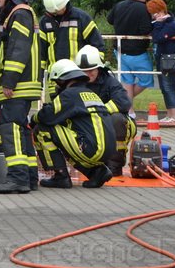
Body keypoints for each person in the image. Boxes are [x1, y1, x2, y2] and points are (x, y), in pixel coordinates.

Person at [0, 0, 41, 194]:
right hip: (23, 84)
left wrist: (9, 81)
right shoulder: (20, 13)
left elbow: (19, 50)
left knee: (11, 128)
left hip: (18, 85)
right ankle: (29, 176)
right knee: (23, 130)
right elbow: (15, 48)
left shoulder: (20, 13)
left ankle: (17, 178)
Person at [31, 60, 116, 189]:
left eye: (56, 82)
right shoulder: (90, 94)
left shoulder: (69, 95)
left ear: (63, 80)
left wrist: (33, 119)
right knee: (65, 139)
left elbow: (47, 116)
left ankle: (60, 176)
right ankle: (97, 172)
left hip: (91, 149)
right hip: (108, 151)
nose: (56, 87)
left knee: (42, 130)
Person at [74, 45, 135, 176]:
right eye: (84, 71)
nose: (88, 74)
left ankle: (114, 165)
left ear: (99, 68)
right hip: (85, 126)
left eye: (91, 70)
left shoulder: (109, 82)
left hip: (107, 124)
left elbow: (124, 102)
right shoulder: (74, 83)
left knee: (117, 119)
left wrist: (98, 112)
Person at [107, 0, 153, 101]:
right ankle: (125, 100)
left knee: (126, 80)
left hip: (119, 49)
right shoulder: (144, 9)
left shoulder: (119, 5)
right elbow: (145, 30)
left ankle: (129, 112)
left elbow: (110, 20)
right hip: (137, 51)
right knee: (147, 79)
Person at [38, 0, 104, 68]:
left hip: (79, 75)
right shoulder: (44, 22)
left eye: (59, 9)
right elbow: (40, 53)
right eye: (54, 12)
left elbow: (98, 46)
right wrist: (39, 77)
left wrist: (96, 69)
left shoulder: (81, 18)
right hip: (55, 76)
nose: (57, 12)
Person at [147, 0, 175, 123]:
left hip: (170, 59)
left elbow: (158, 38)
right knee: (164, 87)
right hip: (163, 59)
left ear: (160, 12)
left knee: (169, 86)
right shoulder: (164, 23)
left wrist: (158, 24)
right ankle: (170, 114)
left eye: (153, 13)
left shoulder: (171, 24)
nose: (152, 16)